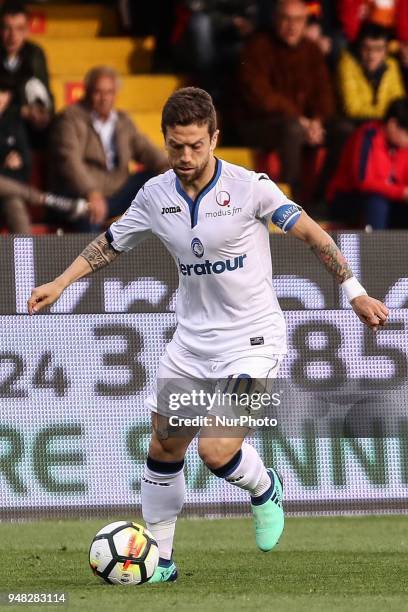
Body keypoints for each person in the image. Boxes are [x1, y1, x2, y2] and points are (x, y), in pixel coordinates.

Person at [28, 87, 388, 583]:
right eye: (176, 145)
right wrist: (60, 283)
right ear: (165, 140)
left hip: (254, 340)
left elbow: (313, 235)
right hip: (191, 345)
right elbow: (111, 243)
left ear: (215, 137)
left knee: (215, 450)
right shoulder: (155, 195)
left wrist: (355, 293)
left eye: (196, 145)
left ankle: (264, 487)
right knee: (166, 446)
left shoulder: (250, 188)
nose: (185, 156)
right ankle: (161, 562)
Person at [48, 65, 168, 231]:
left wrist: (173, 170)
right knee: (88, 215)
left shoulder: (122, 121)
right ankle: (91, 256)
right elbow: (69, 162)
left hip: (118, 192)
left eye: (109, 92)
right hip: (82, 194)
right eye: (98, 92)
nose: (104, 98)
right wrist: (91, 192)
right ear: (87, 92)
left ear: (115, 94)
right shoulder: (69, 119)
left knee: (159, 181)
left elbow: (146, 150)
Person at [236, 0, 335, 197]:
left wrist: (317, 121)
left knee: (342, 130)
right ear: (275, 20)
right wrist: (300, 120)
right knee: (292, 129)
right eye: (286, 19)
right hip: (259, 124)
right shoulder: (257, 47)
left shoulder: (312, 50)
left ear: (306, 23)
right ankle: (291, 200)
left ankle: (323, 197)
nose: (292, 26)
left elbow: (324, 93)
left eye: (298, 20)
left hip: (302, 123)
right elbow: (261, 97)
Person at [0, 74, 85, 232]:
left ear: (8, 96)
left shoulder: (13, 124)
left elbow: (24, 167)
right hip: (12, 185)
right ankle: (44, 199)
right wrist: (5, 164)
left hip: (8, 190)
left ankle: (25, 258)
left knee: (15, 206)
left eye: (3, 92)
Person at [328, 97, 408, 229]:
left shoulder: (403, 148)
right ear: (392, 124)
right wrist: (401, 192)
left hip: (388, 199)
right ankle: (375, 248)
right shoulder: (368, 136)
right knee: (377, 201)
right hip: (348, 197)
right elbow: (363, 181)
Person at [0, 1, 53, 143]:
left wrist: (41, 111)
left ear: (27, 31)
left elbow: (45, 95)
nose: (13, 36)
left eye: (19, 29)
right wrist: (21, 111)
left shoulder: (35, 54)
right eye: (7, 28)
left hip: (27, 129)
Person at [337, 23, 405, 124]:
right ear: (359, 47)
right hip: (356, 124)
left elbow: (399, 101)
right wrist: (387, 116)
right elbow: (352, 109)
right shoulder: (347, 64)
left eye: (378, 49)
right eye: (366, 48)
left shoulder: (391, 65)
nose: (371, 55)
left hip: (386, 124)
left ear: (386, 51)